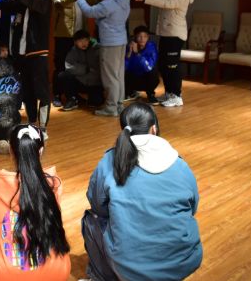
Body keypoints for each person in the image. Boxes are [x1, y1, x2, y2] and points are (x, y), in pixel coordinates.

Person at [82, 103, 202, 281]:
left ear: (125, 130)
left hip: (131, 270)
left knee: (91, 219)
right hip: (185, 262)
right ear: (154, 128)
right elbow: (192, 208)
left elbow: (98, 206)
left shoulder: (110, 160)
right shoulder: (180, 164)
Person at [0, 124, 71, 281]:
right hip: (57, 274)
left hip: (3, 276)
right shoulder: (54, 184)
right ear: (40, 151)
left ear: (10, 150)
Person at [0, 0, 52, 139]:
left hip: (38, 54)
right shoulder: (20, 1)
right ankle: (31, 123)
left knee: (42, 92)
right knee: (27, 91)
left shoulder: (44, 0)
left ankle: (43, 128)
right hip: (21, 54)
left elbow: (32, 1)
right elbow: (2, 4)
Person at [132, 0, 194, 108]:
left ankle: (176, 96)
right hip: (166, 34)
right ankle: (168, 92)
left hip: (175, 36)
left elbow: (167, 2)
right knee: (164, 66)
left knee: (172, 67)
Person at [76, 0, 131, 117]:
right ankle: (118, 105)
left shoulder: (110, 3)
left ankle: (111, 108)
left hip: (110, 44)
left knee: (110, 77)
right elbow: (111, 8)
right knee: (118, 76)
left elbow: (90, 12)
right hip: (121, 42)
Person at [51, 0, 100, 108]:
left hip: (80, 38)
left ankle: (73, 94)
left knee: (78, 66)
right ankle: (57, 95)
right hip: (64, 37)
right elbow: (57, 1)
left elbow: (93, 0)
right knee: (61, 66)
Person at [58, 29, 104, 111]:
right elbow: (69, 66)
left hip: (95, 83)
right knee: (62, 76)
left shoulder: (98, 49)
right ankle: (72, 99)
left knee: (97, 102)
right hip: (81, 81)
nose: (83, 43)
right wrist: (85, 69)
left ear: (89, 39)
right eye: (80, 41)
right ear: (75, 42)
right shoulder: (74, 51)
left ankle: (90, 98)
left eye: (86, 40)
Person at [124, 25, 160, 106]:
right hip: (133, 79)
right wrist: (128, 55)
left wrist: (138, 54)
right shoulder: (129, 47)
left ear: (148, 38)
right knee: (122, 71)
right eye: (139, 36)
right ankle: (130, 93)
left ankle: (151, 94)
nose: (142, 39)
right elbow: (124, 68)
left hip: (146, 79)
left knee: (153, 71)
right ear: (134, 37)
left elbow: (148, 68)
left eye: (145, 36)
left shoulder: (152, 47)